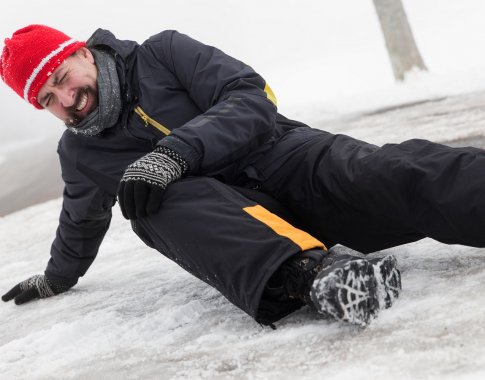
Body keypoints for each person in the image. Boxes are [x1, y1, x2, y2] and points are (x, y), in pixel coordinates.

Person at [1, 25, 482, 328]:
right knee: (146, 202)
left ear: (83, 53)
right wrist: (54, 279)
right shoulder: (79, 152)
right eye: (46, 99)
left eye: (61, 79)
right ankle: (315, 278)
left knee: (392, 172)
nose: (65, 100)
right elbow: (80, 221)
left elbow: (251, 97)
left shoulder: (162, 53)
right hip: (243, 237)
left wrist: (177, 150)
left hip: (291, 160)